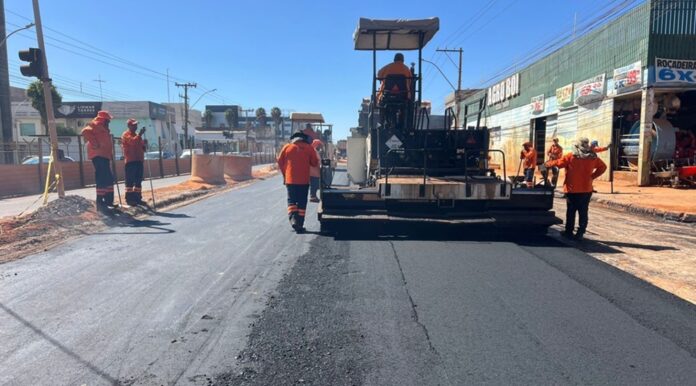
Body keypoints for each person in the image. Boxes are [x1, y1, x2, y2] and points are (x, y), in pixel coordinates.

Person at [545, 137, 607, 240]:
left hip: (572, 189)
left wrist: (547, 164)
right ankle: (580, 233)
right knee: (583, 211)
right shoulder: (592, 157)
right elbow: (603, 167)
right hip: (586, 189)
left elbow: (558, 163)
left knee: (571, 211)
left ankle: (569, 232)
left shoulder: (571, 156)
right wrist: (593, 176)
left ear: (577, 145)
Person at [277, 132, 319, 233]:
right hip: (304, 181)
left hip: (290, 180)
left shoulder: (287, 147)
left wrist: (285, 174)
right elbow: (314, 162)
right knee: (302, 202)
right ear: (303, 139)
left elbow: (279, 161)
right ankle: (300, 224)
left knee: (291, 200)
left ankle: (293, 220)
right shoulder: (309, 148)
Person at [81, 110, 115, 212]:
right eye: (108, 120)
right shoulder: (95, 124)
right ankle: (100, 204)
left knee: (109, 178)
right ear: (103, 119)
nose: (109, 122)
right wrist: (95, 144)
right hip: (98, 156)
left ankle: (109, 202)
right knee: (102, 179)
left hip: (105, 156)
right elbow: (85, 132)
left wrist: (110, 154)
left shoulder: (104, 128)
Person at [121, 119, 148, 206]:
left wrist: (144, 144)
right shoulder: (126, 135)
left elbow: (142, 147)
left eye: (136, 125)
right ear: (129, 126)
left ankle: (137, 198)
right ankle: (129, 199)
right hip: (131, 161)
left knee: (138, 180)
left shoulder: (137, 135)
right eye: (133, 125)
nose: (135, 126)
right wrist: (140, 135)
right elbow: (133, 142)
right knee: (130, 181)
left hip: (139, 160)